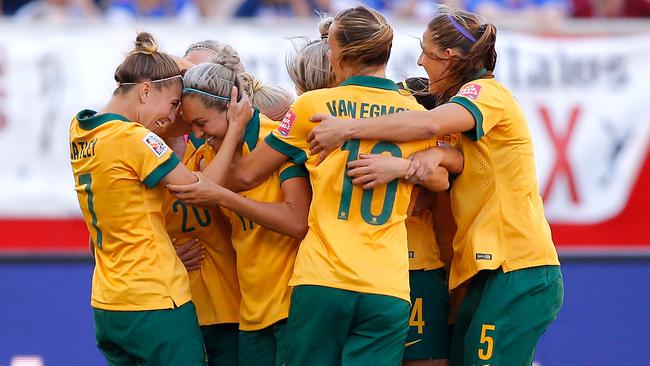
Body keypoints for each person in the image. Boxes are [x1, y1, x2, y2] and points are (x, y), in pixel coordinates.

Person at [168, 7, 455, 365]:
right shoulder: (413, 113)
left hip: (323, 278)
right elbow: (440, 177)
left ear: (343, 54)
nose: (329, 55)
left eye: (331, 47)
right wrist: (402, 168)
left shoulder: (313, 105)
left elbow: (244, 176)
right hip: (387, 283)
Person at [307, 7, 564, 365]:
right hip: (484, 269)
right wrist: (412, 163)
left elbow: (429, 126)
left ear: (448, 56)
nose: (419, 62)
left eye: (426, 53)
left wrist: (348, 128)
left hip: (517, 265)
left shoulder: (486, 93)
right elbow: (456, 159)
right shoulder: (466, 117)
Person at [69, 32, 207, 366]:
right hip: (154, 300)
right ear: (145, 90)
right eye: (174, 104)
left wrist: (153, 59)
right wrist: (232, 129)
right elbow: (199, 189)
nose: (174, 117)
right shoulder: (133, 138)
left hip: (108, 303)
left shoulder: (80, 128)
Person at [170, 59, 311, 366]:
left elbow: (296, 221)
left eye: (202, 123)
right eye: (191, 125)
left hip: (292, 306)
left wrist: (226, 196)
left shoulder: (277, 141)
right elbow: (204, 193)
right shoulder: (209, 155)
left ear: (233, 107)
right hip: (251, 312)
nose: (197, 134)